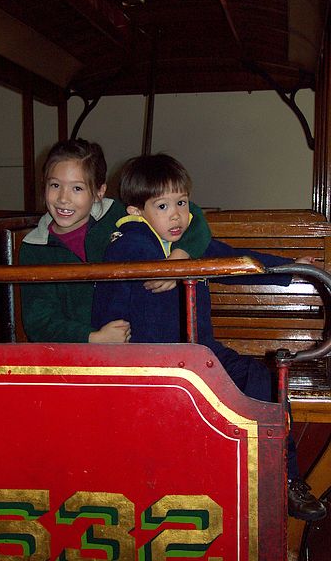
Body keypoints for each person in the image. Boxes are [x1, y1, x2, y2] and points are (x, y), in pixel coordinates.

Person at [92, 153, 327, 522]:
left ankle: (286, 479)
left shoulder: (187, 242)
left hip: (203, 355)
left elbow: (236, 262)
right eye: (163, 206)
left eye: (182, 203)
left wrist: (291, 267)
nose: (176, 215)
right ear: (137, 211)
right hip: (156, 364)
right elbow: (110, 301)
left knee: (263, 381)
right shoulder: (128, 245)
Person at [19, 139, 211, 344]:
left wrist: (179, 257)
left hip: (141, 342)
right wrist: (92, 337)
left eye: (77, 189)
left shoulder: (120, 216)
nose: (63, 198)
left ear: (99, 192)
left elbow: (193, 216)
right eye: (55, 185)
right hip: (77, 357)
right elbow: (40, 321)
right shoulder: (35, 248)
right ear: (44, 184)